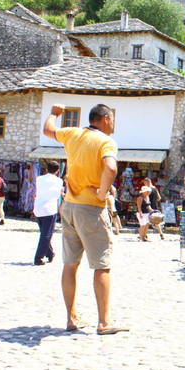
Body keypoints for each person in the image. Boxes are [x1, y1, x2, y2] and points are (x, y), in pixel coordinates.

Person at [43, 102, 127, 335]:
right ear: (106, 119)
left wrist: (54, 113)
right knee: (102, 265)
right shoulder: (105, 141)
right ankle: (104, 322)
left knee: (70, 265)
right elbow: (110, 169)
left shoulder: (71, 133)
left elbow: (48, 130)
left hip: (69, 206)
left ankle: (71, 318)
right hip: (91, 208)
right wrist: (102, 193)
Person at [33, 161, 64, 265]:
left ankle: (50, 253)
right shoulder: (59, 181)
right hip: (50, 209)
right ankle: (38, 257)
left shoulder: (39, 179)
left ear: (46, 169)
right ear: (57, 171)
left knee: (44, 233)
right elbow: (56, 195)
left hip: (38, 208)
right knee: (46, 235)